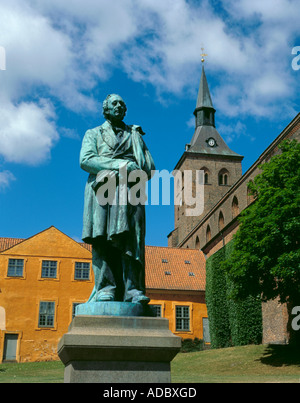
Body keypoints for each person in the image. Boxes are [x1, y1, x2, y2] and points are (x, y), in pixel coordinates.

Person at [80, 94, 155, 304]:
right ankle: (106, 288)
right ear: (106, 109)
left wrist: (137, 156)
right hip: (104, 189)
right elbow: (86, 160)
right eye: (115, 103)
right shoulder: (93, 133)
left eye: (123, 103)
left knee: (135, 240)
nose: (120, 106)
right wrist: (120, 165)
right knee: (103, 238)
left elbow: (150, 168)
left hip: (132, 190)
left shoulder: (135, 135)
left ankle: (133, 290)